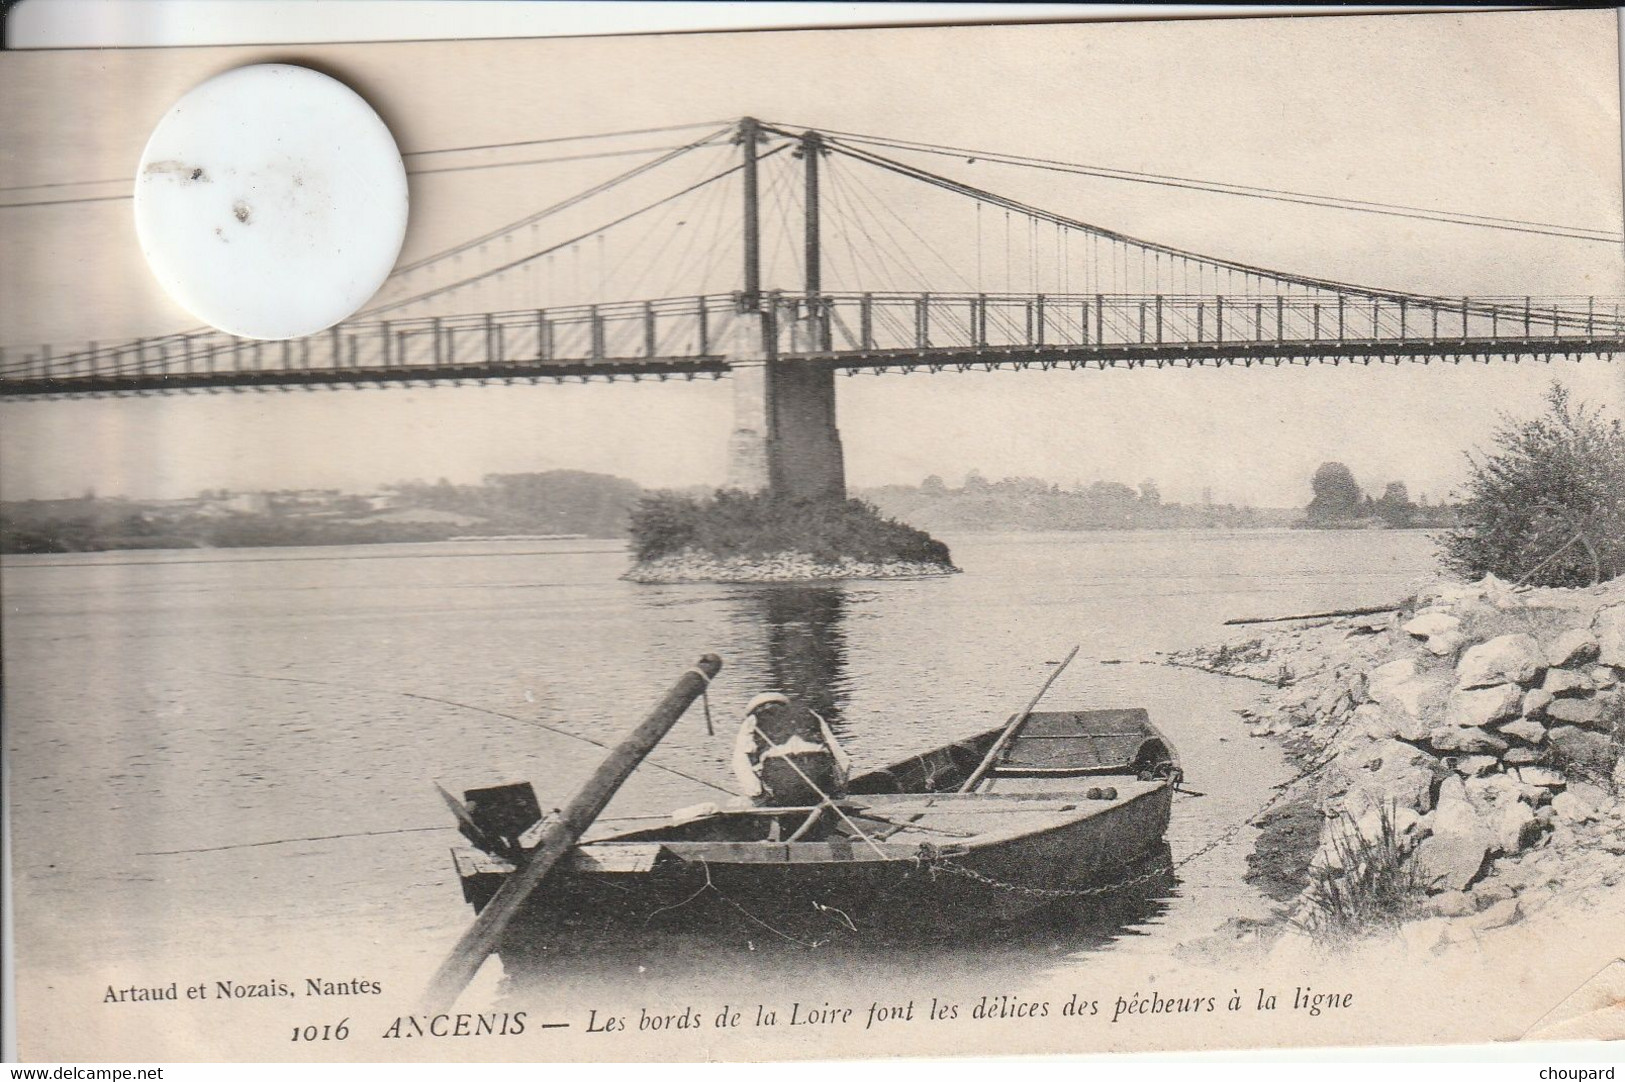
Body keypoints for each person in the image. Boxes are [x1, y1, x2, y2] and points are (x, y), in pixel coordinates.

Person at [732, 692, 852, 807]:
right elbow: (843, 760)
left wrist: (758, 795)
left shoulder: (752, 720)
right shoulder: (811, 715)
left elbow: (740, 763)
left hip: (783, 780)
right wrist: (838, 792)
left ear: (755, 710)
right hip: (819, 778)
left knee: (773, 789)